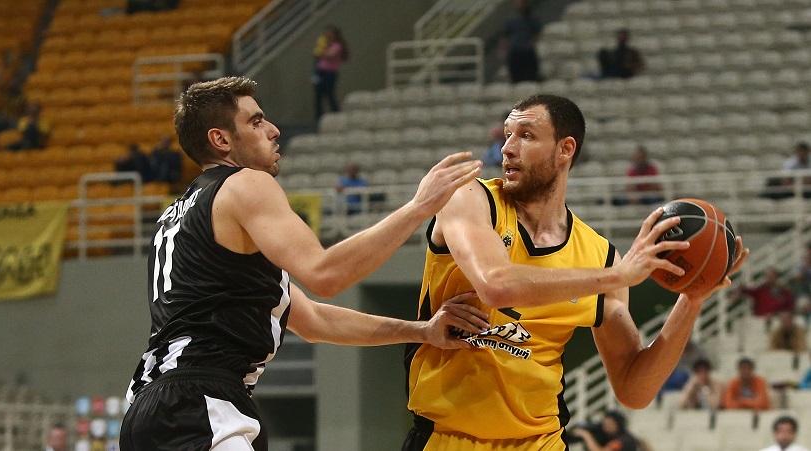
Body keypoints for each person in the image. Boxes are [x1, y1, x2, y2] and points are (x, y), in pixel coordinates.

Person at [119, 76, 484, 451]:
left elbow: (314, 320)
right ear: (221, 140)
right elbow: (325, 274)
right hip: (198, 402)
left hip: (151, 408)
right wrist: (419, 207)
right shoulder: (244, 184)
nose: (273, 130)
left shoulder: (182, 214)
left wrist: (423, 331)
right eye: (256, 122)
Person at [402, 94, 747, 450]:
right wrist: (618, 276)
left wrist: (691, 301)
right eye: (507, 135)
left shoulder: (599, 256)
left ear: (565, 149)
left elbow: (634, 390)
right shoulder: (469, 198)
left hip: (541, 442)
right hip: (448, 439)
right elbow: (496, 285)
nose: (507, 148)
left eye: (525, 135)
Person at [500, 0, 542, 83]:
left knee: (531, 78)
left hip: (528, 52)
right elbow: (505, 36)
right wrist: (503, 50)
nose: (518, 4)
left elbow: (537, 33)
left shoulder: (532, 17)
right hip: (515, 52)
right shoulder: (510, 19)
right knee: (515, 78)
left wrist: (531, 43)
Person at [313, 26, 348, 120]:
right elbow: (316, 54)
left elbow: (329, 55)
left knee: (329, 94)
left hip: (330, 73)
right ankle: (318, 116)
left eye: (330, 33)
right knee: (318, 95)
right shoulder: (325, 43)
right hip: (320, 72)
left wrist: (321, 50)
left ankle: (336, 114)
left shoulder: (337, 46)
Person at [569, 411, 643, 451]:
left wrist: (586, 435)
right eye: (604, 424)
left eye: (609, 424)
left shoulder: (623, 440)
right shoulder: (610, 435)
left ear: (617, 425)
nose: (605, 427)